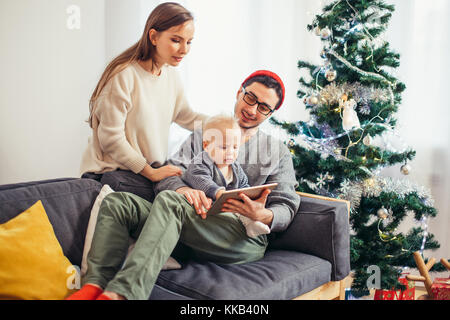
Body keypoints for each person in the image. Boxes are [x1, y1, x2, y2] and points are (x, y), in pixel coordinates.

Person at [66, 70, 300, 300]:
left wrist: (264, 214)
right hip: (194, 225)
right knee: (118, 203)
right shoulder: (205, 135)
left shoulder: (277, 152)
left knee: (171, 202)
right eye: (250, 98)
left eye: (263, 107)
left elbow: (287, 206)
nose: (252, 109)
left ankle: (123, 294)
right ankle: (94, 285)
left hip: (243, 236)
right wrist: (182, 189)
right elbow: (169, 173)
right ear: (239, 92)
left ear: (271, 114)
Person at [79, 2, 208, 187]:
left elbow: (186, 116)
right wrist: (151, 172)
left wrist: (228, 127)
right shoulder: (124, 75)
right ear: (154, 37)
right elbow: (111, 138)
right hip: (110, 174)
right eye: (176, 40)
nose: (184, 49)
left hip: (143, 173)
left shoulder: (170, 75)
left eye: (189, 42)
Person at [181, 114, 270, 238]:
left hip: (226, 210)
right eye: (223, 147)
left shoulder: (235, 168)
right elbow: (199, 178)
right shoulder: (201, 161)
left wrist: (249, 197)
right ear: (206, 146)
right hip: (201, 209)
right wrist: (217, 192)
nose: (230, 152)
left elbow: (243, 185)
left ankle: (251, 224)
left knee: (241, 211)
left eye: (235, 147)